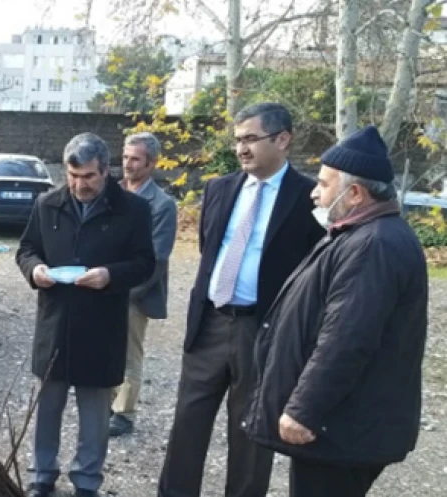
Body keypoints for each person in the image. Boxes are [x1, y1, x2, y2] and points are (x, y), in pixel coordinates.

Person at [245, 125, 428, 497]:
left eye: (325, 184)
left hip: (343, 429)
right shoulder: (356, 235)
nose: (314, 192)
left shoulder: (374, 245)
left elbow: (346, 339)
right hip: (340, 426)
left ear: (356, 193)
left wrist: (303, 410)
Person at [157, 102, 325, 497]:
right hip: (211, 322)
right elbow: (208, 249)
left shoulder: (308, 197)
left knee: (251, 432)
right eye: (237, 140)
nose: (241, 149)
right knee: (187, 424)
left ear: (282, 139)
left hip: (264, 330)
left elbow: (315, 270)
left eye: (251, 139)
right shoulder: (220, 188)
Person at [16, 133, 155, 497]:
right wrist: (35, 271)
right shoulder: (47, 204)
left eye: (89, 177)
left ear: (105, 171)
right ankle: (41, 475)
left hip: (102, 323)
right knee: (47, 407)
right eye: (73, 176)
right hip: (55, 321)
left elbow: (144, 264)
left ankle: (87, 481)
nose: (79, 185)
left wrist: (110, 275)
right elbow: (27, 249)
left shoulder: (133, 210)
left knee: (95, 414)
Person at [109, 132, 177, 438]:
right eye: (125, 157)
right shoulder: (111, 192)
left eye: (135, 159)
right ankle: (103, 403)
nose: (128, 164)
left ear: (151, 163)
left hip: (133, 294)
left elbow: (157, 258)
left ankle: (123, 413)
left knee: (127, 352)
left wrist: (123, 291)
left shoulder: (162, 205)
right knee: (101, 347)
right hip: (102, 285)